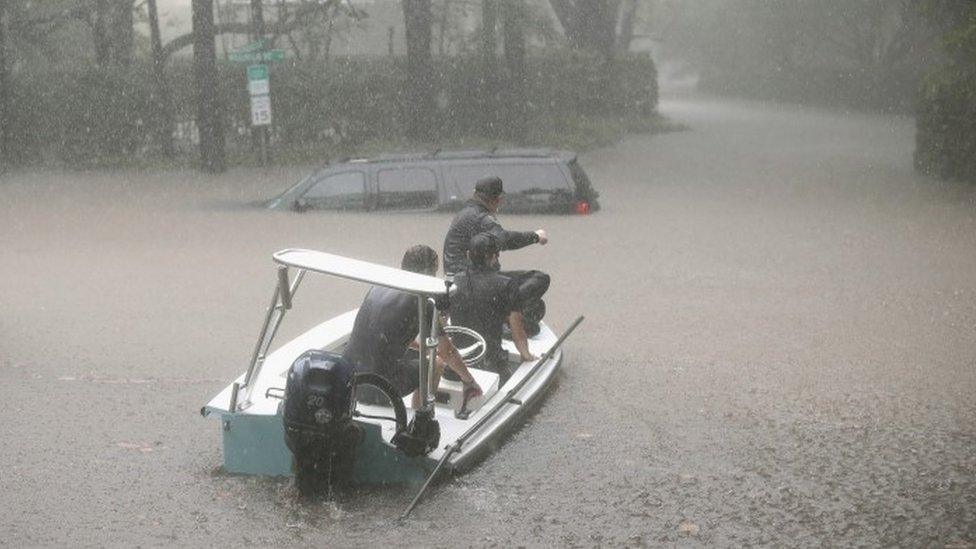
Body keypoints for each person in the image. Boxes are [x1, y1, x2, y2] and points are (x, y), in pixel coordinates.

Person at [342, 245, 482, 409]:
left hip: (350, 379)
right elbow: (448, 352)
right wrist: (469, 381)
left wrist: (427, 348)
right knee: (436, 364)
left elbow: (389, 334)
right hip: (378, 387)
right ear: (427, 273)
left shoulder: (377, 288)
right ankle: (420, 417)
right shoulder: (422, 302)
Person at [442, 176, 550, 333]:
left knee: (536, 307)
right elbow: (505, 240)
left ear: (474, 193)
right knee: (539, 278)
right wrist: (535, 236)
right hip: (472, 281)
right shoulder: (482, 217)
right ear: (498, 199)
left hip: (458, 280)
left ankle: (505, 315)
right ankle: (502, 316)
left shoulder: (465, 212)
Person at [450, 233, 538, 383]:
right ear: (494, 257)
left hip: (461, 358)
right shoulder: (507, 285)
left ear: (467, 255)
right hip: (491, 361)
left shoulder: (455, 281)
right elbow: (517, 328)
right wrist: (526, 354)